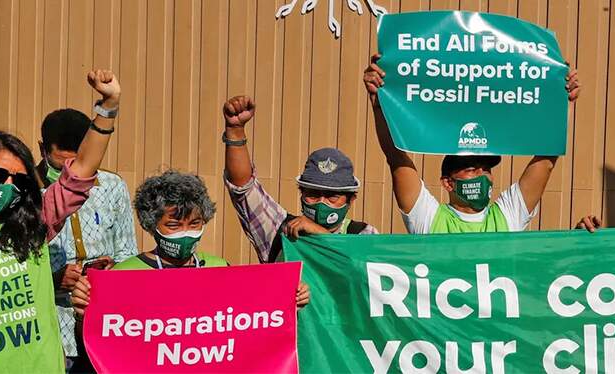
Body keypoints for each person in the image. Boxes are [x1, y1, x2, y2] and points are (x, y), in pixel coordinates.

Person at [0, 70, 120, 373]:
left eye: (18, 179)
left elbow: (80, 172)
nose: (7, 185)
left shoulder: (31, 226)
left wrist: (108, 106)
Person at [69, 170, 310, 372]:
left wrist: (287, 301)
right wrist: (83, 315)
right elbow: (99, 348)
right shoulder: (123, 276)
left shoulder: (220, 269)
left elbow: (252, 326)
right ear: (151, 225)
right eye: (173, 225)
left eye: (194, 224)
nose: (186, 232)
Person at [362, 54, 580, 234]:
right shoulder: (429, 219)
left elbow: (546, 161)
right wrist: (380, 104)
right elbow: (396, 157)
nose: (482, 174)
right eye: (471, 168)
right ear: (447, 183)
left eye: (486, 169)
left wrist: (561, 102)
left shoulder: (507, 217)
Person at [36, 108, 138, 364]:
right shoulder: (25, 193)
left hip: (102, 327)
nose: (68, 175)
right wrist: (51, 280)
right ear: (42, 150)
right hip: (50, 330)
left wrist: (111, 272)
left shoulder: (113, 186)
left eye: (77, 164)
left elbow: (128, 254)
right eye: (60, 166)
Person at [222, 95, 378, 263]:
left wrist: (320, 234)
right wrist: (235, 131)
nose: (321, 202)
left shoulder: (363, 234)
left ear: (351, 200)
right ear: (301, 194)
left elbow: (367, 272)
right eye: (313, 194)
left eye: (332, 196)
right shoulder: (280, 231)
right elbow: (244, 189)